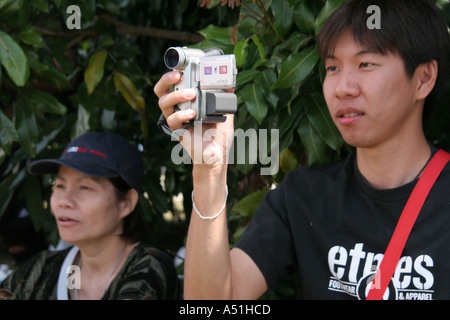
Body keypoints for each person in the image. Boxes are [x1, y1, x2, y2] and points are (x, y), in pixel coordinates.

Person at [154, 0, 450, 300]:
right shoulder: (303, 196)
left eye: (365, 64)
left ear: (423, 78)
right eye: (332, 67)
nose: (342, 88)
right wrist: (209, 172)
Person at [0, 132, 181, 300]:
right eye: (60, 186)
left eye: (85, 187)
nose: (64, 201)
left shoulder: (147, 268)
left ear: (126, 203)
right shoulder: (44, 269)